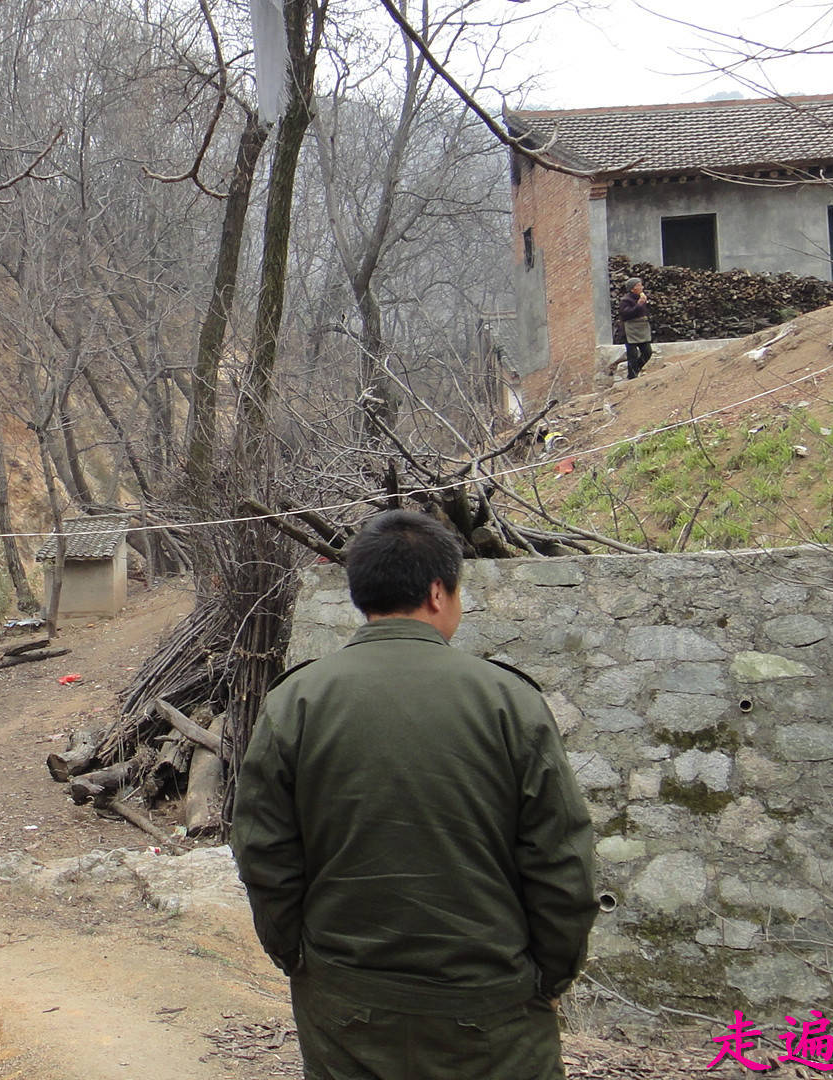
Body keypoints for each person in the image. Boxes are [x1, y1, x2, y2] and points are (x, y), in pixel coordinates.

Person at [231, 509, 597, 1080]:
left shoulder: (295, 702)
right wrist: (550, 978)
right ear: (435, 592)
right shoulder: (508, 701)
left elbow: (264, 854)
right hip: (490, 1013)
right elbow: (561, 861)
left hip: (345, 1005)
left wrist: (298, 960)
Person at [617, 277, 652, 379]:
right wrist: (639, 304)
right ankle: (632, 376)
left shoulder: (642, 297)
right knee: (632, 355)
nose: (642, 287)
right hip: (630, 331)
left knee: (647, 352)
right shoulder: (625, 300)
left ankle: (636, 369)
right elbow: (626, 314)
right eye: (639, 285)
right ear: (632, 289)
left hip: (642, 328)